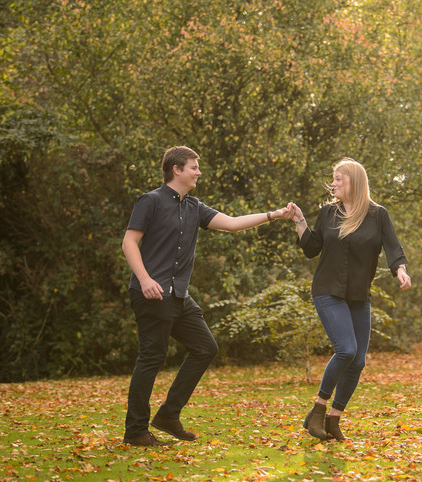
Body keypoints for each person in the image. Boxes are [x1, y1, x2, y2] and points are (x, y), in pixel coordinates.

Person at [122, 146, 294, 447]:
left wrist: (273, 215)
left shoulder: (194, 207)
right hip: (151, 292)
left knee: (205, 347)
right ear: (177, 169)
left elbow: (231, 223)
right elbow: (129, 242)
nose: (198, 172)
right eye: (194, 167)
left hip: (178, 295)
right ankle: (136, 431)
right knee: (152, 357)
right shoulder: (150, 201)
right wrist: (145, 279)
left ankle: (168, 415)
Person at [288, 158, 411, 441]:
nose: (333, 183)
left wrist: (401, 271)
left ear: (354, 181)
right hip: (327, 290)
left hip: (358, 295)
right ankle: (317, 410)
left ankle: (333, 419)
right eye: (333, 178)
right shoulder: (328, 213)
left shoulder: (378, 214)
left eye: (338, 178)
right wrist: (299, 221)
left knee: (357, 362)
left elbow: (393, 247)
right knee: (346, 349)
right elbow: (311, 248)